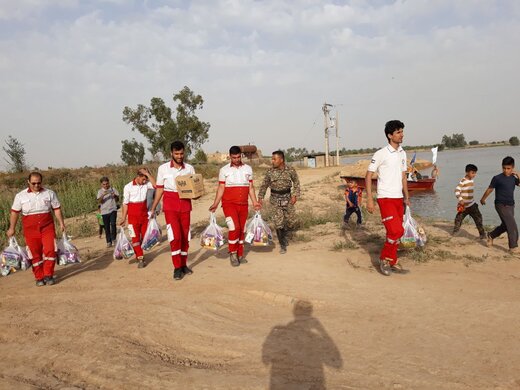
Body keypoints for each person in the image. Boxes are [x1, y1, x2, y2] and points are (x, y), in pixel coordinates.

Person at [365, 120, 410, 276]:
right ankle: (384, 259)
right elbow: (369, 175)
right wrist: (369, 199)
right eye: (398, 132)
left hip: (398, 198)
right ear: (390, 135)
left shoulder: (402, 153)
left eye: (402, 131)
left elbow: (403, 176)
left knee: (398, 231)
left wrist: (407, 196)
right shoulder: (381, 153)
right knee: (395, 230)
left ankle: (393, 260)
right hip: (385, 198)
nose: (402, 134)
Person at [6, 172, 66, 286]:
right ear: (28, 182)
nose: (36, 185)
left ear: (41, 182)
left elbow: (57, 209)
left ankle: (48, 275)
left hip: (47, 227)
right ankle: (39, 277)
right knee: (35, 253)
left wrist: (61, 223)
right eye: (33, 183)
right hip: (30, 230)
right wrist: (11, 228)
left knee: (50, 250)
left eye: (39, 183)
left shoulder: (49, 193)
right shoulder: (20, 196)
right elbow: (14, 213)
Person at [150, 141, 195, 281]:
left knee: (185, 236)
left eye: (181, 153)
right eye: (176, 154)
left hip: (185, 205)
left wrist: (198, 193)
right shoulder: (163, 169)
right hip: (170, 206)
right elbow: (160, 189)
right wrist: (153, 208)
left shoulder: (189, 168)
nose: (179, 156)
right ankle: (176, 267)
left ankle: (183, 264)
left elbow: (195, 188)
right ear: (171, 153)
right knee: (175, 237)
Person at [209, 146, 261, 266]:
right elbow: (221, 188)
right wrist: (216, 203)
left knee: (242, 229)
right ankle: (232, 253)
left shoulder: (248, 169)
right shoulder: (224, 170)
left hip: (243, 204)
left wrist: (255, 202)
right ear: (230, 156)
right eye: (234, 157)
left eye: (238, 157)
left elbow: (251, 188)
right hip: (229, 204)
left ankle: (240, 254)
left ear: (241, 156)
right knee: (234, 228)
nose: (236, 159)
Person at [257, 150, 301, 254]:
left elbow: (296, 182)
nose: (272, 161)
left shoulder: (290, 170)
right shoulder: (270, 172)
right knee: (278, 222)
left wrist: (295, 195)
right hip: (275, 199)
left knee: (290, 220)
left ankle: (284, 235)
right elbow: (264, 185)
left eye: (274, 159)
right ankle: (282, 244)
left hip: (287, 198)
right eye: (272, 159)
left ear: (281, 160)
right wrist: (260, 197)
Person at [480, 156, 519, 254]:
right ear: (502, 167)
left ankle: (491, 235)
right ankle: (513, 247)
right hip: (500, 205)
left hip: (511, 205)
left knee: (506, 225)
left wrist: (518, 174)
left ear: (513, 167)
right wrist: (483, 199)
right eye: (504, 168)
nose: (506, 170)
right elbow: (490, 189)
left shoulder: (514, 178)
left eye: (508, 168)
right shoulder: (497, 178)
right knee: (512, 226)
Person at [120, 168, 156, 269]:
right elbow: (125, 203)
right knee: (135, 238)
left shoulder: (146, 184)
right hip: (132, 218)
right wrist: (123, 217)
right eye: (143, 179)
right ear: (138, 176)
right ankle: (140, 258)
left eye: (146, 179)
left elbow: (156, 185)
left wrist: (148, 174)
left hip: (144, 216)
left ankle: (139, 251)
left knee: (145, 237)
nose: (145, 181)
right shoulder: (128, 187)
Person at [453, 164, 486, 239]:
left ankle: (482, 234)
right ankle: (455, 232)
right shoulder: (463, 181)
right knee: (458, 219)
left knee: (478, 218)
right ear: (467, 172)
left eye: (475, 173)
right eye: (473, 173)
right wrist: (460, 200)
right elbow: (456, 191)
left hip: (472, 204)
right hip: (464, 206)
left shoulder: (471, 180)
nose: (474, 175)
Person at [97, 176, 119, 248]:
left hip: (113, 209)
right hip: (104, 211)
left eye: (106, 183)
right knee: (106, 227)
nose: (106, 185)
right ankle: (108, 241)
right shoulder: (100, 192)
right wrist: (103, 194)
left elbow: (117, 199)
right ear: (101, 184)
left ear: (108, 183)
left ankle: (114, 239)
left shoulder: (113, 189)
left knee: (113, 224)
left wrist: (114, 195)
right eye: (104, 184)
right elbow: (99, 201)